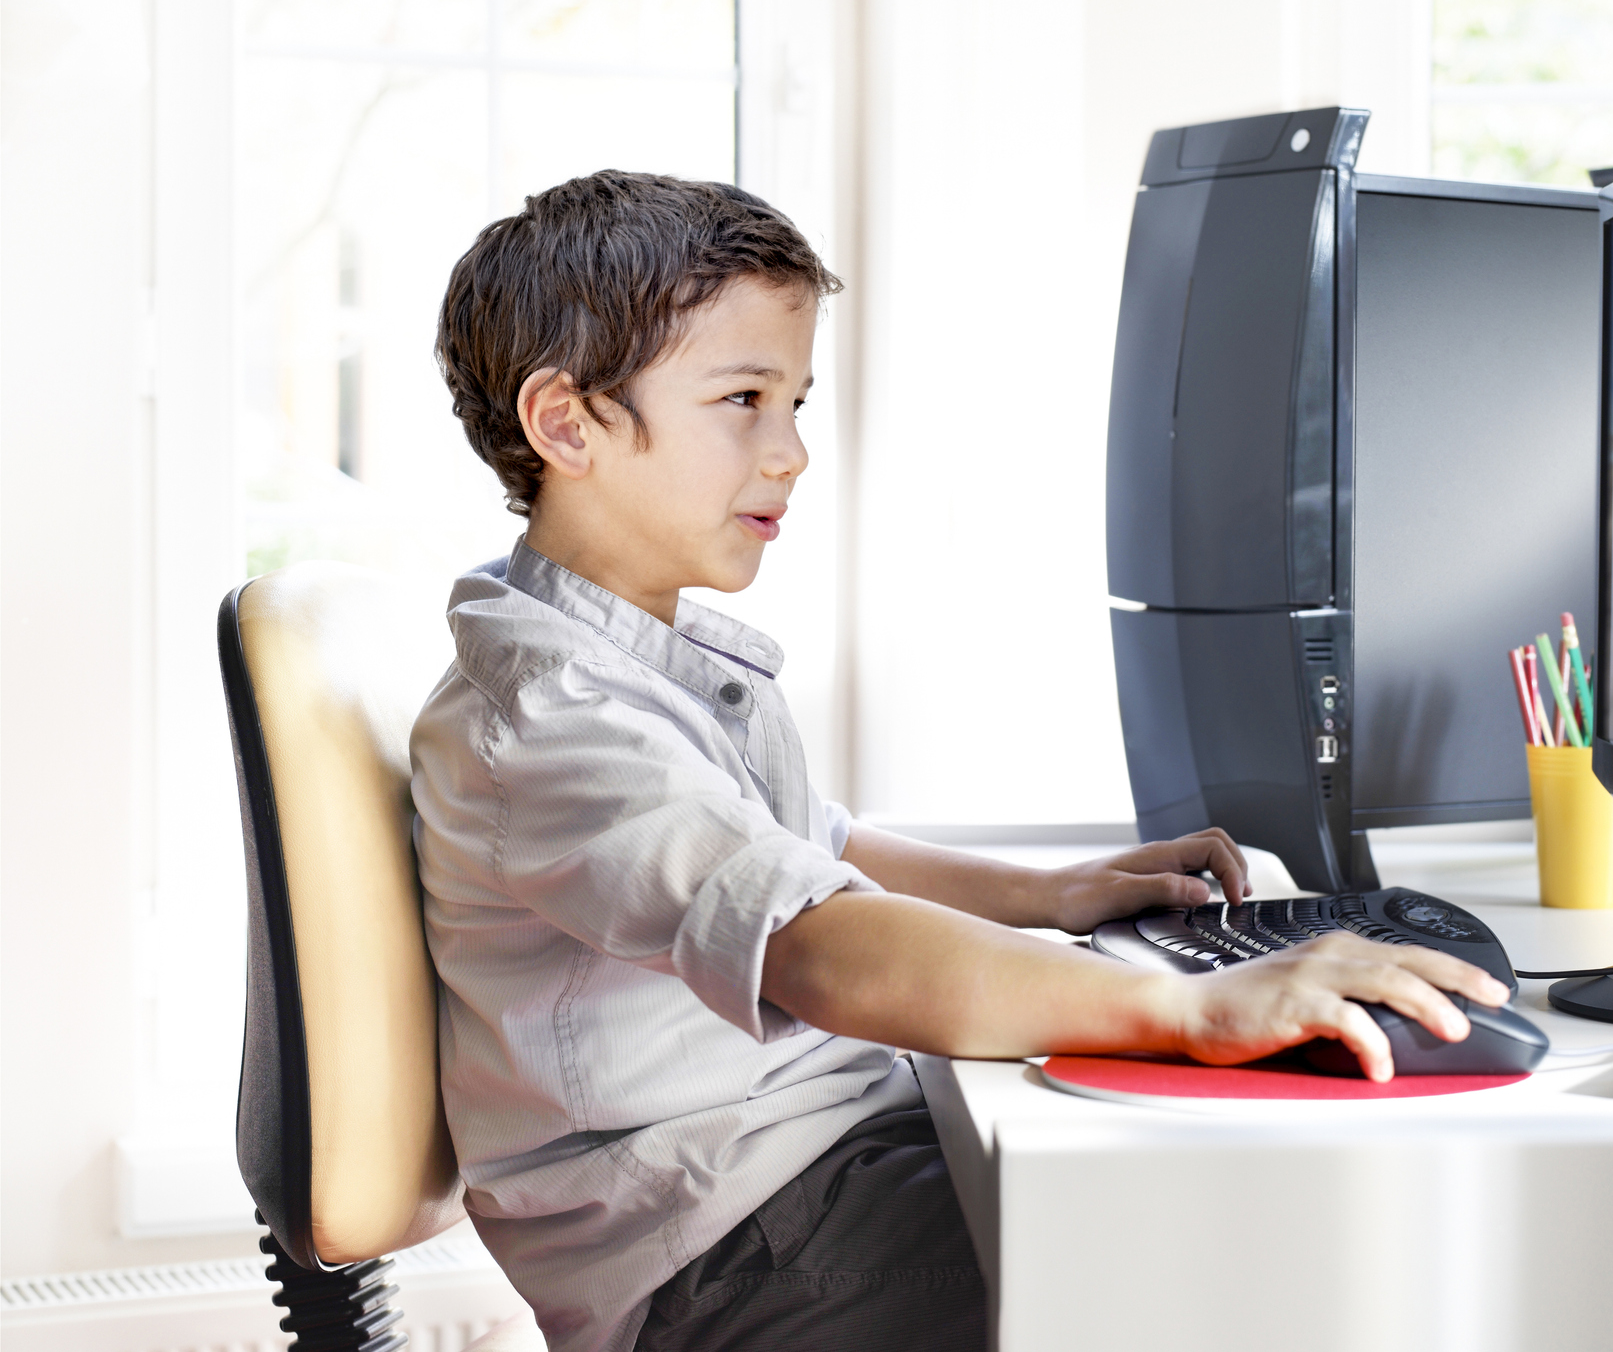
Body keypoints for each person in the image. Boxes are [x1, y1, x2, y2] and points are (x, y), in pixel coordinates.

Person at [412, 170, 1509, 1352]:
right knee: (1231, 1282)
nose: (790, 452)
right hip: (736, 1253)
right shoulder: (558, 720)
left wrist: (1056, 892)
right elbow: (821, 944)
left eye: (796, 401)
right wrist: (1191, 1004)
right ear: (567, 421)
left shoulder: (626, 653)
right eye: (743, 398)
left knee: (1231, 1235)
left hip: (804, 1180)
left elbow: (813, 849)